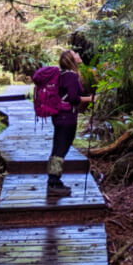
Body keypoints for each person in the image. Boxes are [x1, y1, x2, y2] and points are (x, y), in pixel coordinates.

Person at [47, 49, 93, 196]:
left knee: (58, 147)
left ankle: (54, 180)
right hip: (66, 118)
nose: (79, 55)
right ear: (71, 60)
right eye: (75, 54)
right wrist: (91, 99)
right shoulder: (71, 76)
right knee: (61, 149)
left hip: (59, 117)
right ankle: (53, 182)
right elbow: (73, 98)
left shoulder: (62, 75)